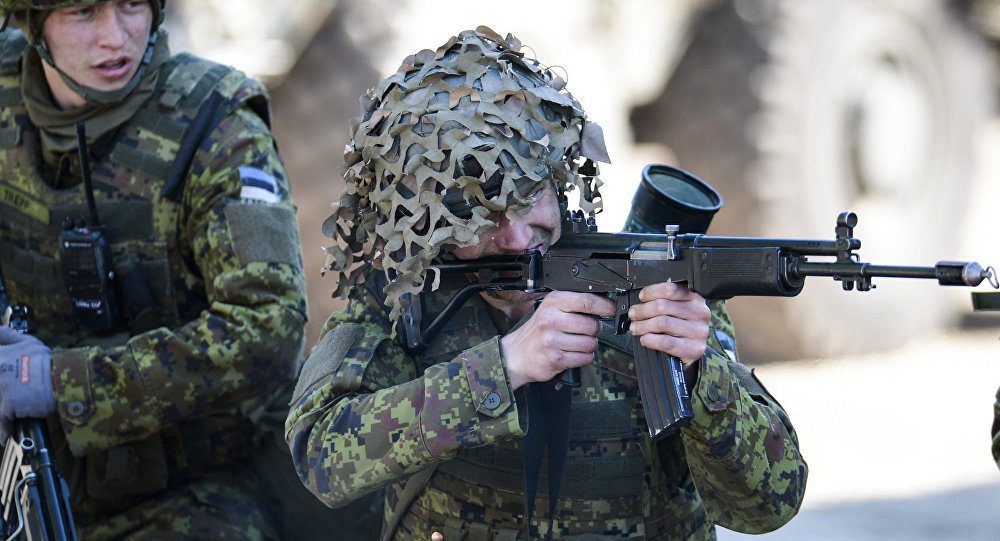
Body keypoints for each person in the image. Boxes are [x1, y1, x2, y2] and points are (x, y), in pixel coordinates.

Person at [286, 27, 807, 540]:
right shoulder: (408, 296)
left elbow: (769, 505)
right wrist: (504, 367)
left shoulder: (645, 287)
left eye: (528, 195)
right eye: (480, 215)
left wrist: (700, 373)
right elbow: (321, 458)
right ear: (433, 219)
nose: (514, 237)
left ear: (559, 181)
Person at [0, 0, 307, 538]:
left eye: (131, 5)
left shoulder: (219, 125)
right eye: (83, 11)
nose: (115, 37)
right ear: (32, 22)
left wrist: (60, 381)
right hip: (26, 470)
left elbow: (269, 332)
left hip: (197, 488)